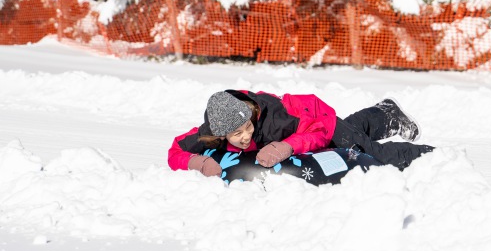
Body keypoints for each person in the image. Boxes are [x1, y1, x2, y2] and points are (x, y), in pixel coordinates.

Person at [168, 90, 433, 177]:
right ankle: (386, 113)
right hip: (309, 122)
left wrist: (286, 147)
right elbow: (175, 150)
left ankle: (430, 156)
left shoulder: (275, 123)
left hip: (317, 122)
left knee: (371, 154)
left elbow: (316, 133)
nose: (246, 136)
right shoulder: (211, 129)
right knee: (354, 130)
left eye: (248, 127)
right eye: (237, 134)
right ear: (221, 132)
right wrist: (198, 162)